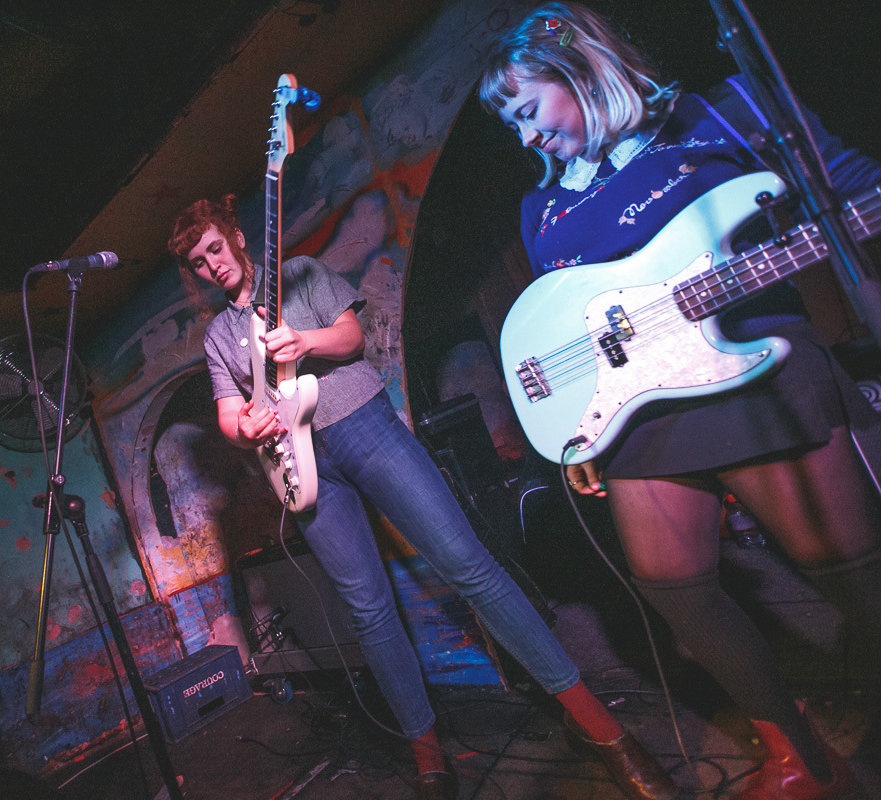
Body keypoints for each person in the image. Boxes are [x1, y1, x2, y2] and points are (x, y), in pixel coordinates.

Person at [477, 4, 881, 799]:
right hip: (642, 411)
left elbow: (853, 189)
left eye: (527, 110)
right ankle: (796, 751)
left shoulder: (717, 114)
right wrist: (585, 430)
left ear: (581, 70)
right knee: (672, 581)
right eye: (509, 124)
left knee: (845, 569)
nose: (525, 137)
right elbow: (573, 317)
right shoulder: (543, 209)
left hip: (755, 373)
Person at [169, 196, 678, 800]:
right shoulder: (219, 337)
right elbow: (230, 414)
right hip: (303, 469)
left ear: (237, 239)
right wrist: (245, 428)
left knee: (469, 566)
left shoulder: (300, 273)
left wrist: (301, 341)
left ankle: (599, 724)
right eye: (198, 263)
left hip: (362, 425)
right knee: (368, 610)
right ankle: (428, 754)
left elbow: (352, 338)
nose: (212, 266)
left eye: (215, 249)